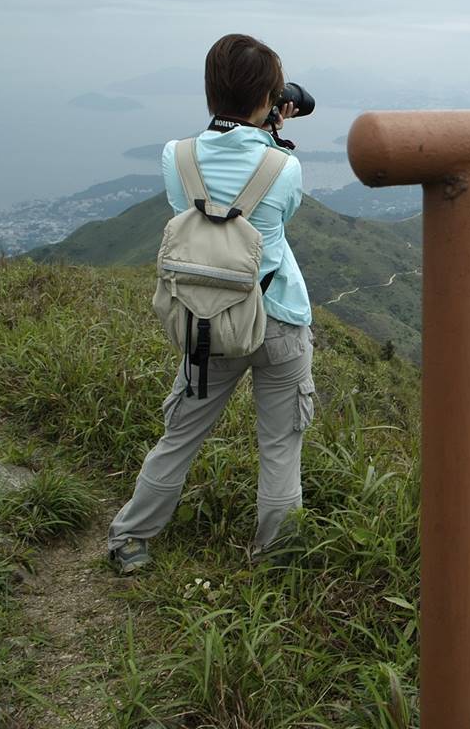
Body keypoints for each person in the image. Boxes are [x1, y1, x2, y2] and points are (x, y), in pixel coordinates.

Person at [107, 34, 315, 574]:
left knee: (180, 435)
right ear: (270, 98)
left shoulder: (176, 158)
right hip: (278, 321)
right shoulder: (283, 166)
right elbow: (280, 216)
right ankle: (275, 560)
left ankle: (131, 538)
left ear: (210, 90)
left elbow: (198, 210)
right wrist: (273, 136)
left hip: (207, 321)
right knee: (280, 448)